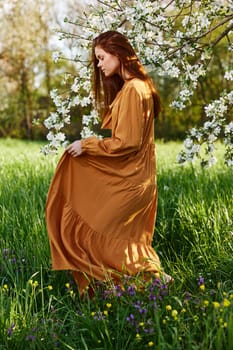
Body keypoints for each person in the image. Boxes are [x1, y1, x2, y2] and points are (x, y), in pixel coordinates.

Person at [46, 30, 173, 295]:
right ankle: (131, 289)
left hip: (132, 181)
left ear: (118, 53)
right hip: (138, 179)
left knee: (101, 231)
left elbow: (127, 142)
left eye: (102, 58)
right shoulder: (138, 88)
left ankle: (152, 281)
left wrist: (88, 144)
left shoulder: (134, 90)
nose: (100, 65)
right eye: (98, 60)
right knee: (120, 237)